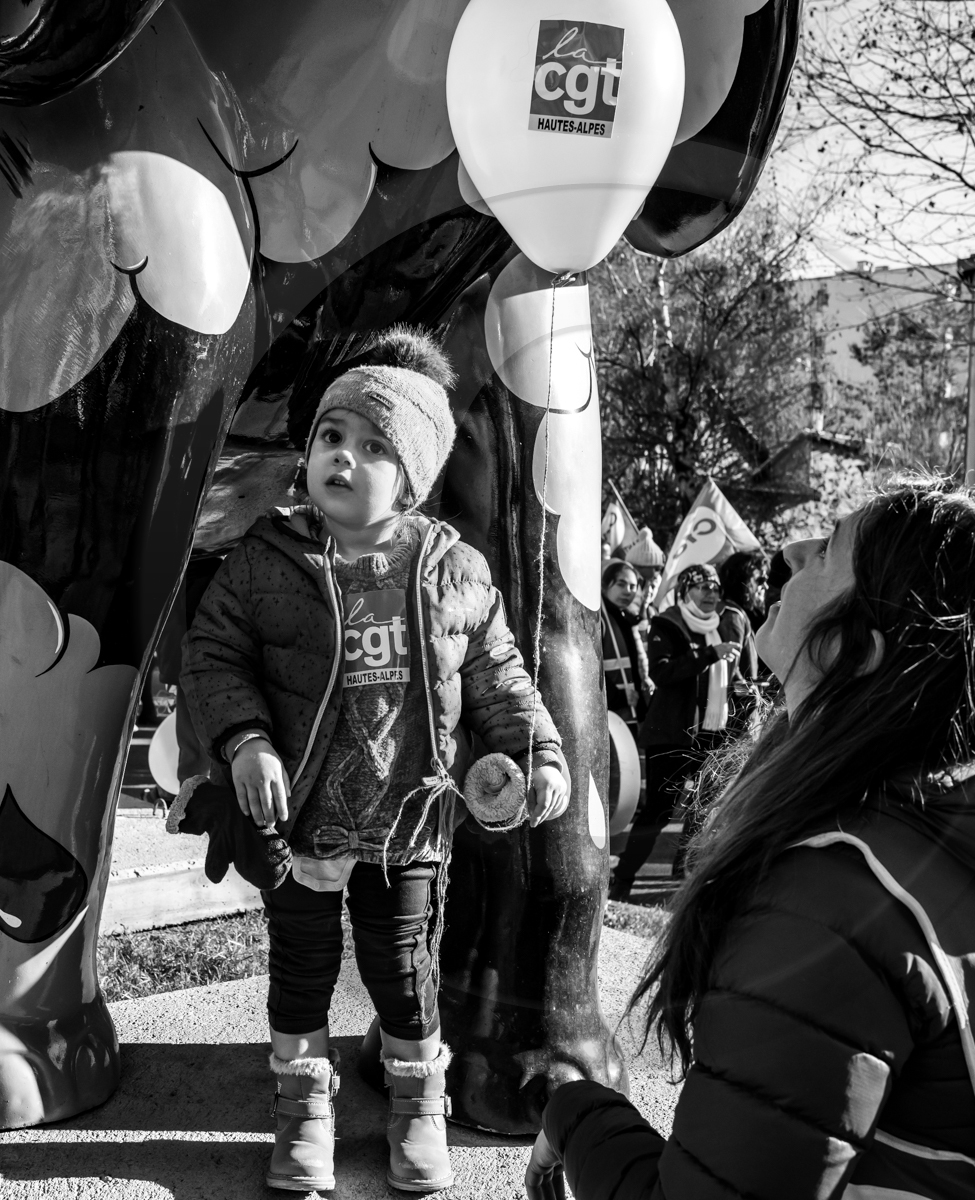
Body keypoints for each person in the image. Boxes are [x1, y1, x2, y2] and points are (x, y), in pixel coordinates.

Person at [528, 478, 975, 1200]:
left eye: (828, 550)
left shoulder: (830, 902)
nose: (791, 547)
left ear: (856, 649)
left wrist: (574, 1109)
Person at [180, 326, 571, 1194]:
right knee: (303, 966)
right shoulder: (266, 558)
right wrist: (244, 739)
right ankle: (303, 1108)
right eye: (330, 437)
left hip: (408, 820)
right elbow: (211, 655)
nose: (343, 459)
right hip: (300, 820)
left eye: (372, 446)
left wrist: (537, 751)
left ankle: (415, 1104)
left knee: (402, 972)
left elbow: (501, 677)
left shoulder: (451, 570)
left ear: (415, 475)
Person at [608, 562, 756, 901]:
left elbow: (740, 680)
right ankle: (623, 881)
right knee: (658, 811)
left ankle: (686, 877)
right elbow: (661, 674)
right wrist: (708, 655)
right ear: (684, 591)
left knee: (706, 808)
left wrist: (744, 712)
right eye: (701, 587)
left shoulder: (727, 623)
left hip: (714, 733)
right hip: (673, 732)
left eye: (715, 588)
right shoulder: (666, 623)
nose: (710, 594)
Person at [601, 560, 651, 733]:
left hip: (631, 710)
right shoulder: (599, 619)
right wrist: (619, 697)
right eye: (621, 584)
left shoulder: (627, 617)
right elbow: (590, 669)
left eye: (633, 586)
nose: (628, 591)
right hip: (613, 712)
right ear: (605, 584)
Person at [717, 549, 768, 632]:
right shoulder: (732, 617)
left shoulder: (755, 614)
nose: (766, 586)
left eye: (766, 580)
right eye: (760, 580)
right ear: (743, 583)